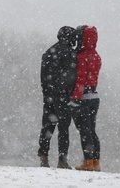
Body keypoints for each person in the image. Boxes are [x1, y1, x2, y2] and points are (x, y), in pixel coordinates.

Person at [38, 26, 77, 168]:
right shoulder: (71, 54)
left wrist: (47, 92)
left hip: (49, 95)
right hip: (63, 96)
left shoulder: (49, 52)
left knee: (47, 127)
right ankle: (62, 160)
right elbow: (72, 77)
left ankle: (44, 158)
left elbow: (43, 76)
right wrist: (69, 94)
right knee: (63, 128)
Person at [69, 25, 102, 171]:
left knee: (84, 130)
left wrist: (75, 98)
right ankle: (95, 161)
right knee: (92, 130)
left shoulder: (82, 57)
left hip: (84, 97)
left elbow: (81, 79)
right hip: (94, 96)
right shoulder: (96, 55)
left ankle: (87, 161)